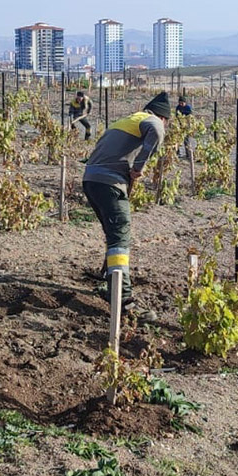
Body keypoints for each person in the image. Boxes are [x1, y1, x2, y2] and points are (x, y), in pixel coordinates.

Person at [82, 91, 170, 320]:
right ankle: (124, 299)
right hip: (110, 183)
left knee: (114, 235)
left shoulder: (127, 120)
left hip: (91, 180)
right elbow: (157, 132)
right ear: (163, 116)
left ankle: (109, 281)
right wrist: (138, 169)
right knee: (120, 238)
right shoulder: (151, 121)